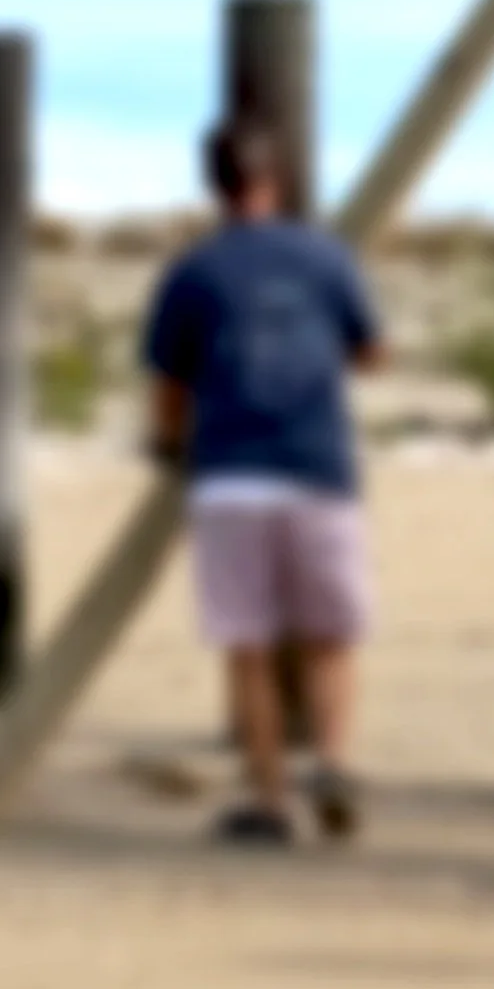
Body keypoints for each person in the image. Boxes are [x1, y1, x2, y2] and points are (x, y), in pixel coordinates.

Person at [142, 118, 384, 846]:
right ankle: (333, 762)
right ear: (274, 180)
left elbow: (167, 381)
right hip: (316, 466)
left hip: (229, 475)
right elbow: (371, 351)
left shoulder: (193, 270)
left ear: (213, 186)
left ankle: (271, 797)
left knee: (247, 646)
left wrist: (169, 444)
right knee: (330, 636)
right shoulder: (326, 257)